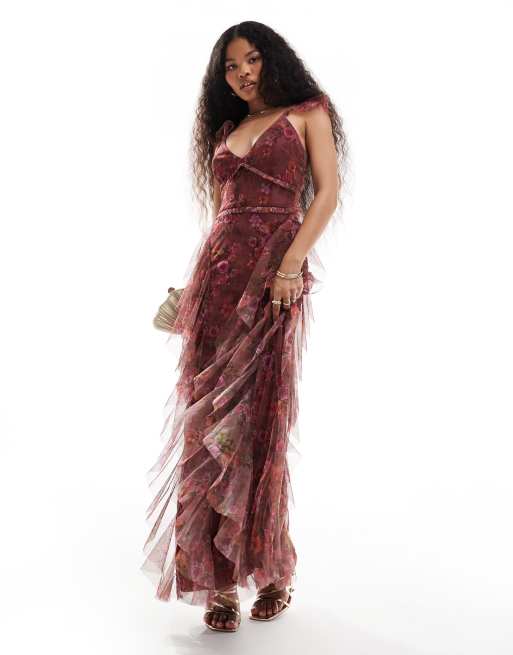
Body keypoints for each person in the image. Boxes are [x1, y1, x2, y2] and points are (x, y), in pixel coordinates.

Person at [141, 20, 348, 633]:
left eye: (252, 59)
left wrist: (289, 267)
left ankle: (274, 571)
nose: (243, 73)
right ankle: (221, 585)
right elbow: (220, 219)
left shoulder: (308, 113)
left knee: (258, 424)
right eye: (231, 67)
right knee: (207, 428)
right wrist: (192, 290)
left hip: (272, 281)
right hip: (218, 280)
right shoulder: (225, 131)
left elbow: (326, 195)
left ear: (272, 59)